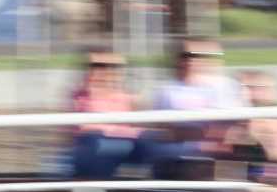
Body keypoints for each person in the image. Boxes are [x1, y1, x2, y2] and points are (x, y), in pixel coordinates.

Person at [148, 39, 246, 179]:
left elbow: (232, 124)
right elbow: (163, 128)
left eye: (197, 55)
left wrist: (195, 133)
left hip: (220, 148)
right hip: (180, 149)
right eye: (185, 55)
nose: (190, 60)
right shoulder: (166, 90)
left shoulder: (227, 85)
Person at [69, 51, 147, 180]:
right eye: (95, 66)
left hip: (123, 143)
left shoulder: (125, 96)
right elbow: (82, 130)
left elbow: (136, 125)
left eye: (107, 67)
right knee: (95, 146)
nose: (100, 71)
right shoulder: (81, 96)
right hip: (96, 146)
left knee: (152, 144)